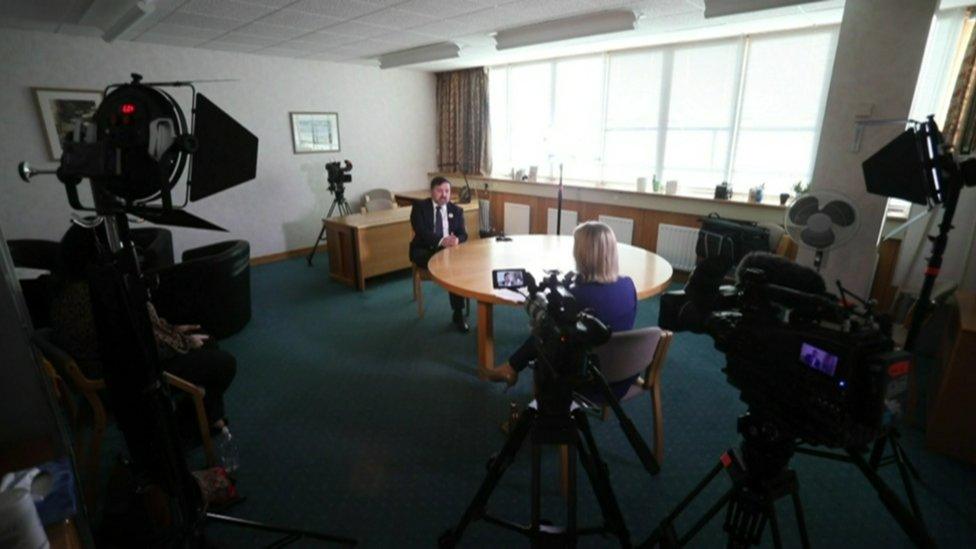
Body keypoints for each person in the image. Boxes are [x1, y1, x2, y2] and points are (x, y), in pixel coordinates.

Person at [48, 223, 237, 437]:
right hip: (121, 380)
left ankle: (208, 418)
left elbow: (132, 329)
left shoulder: (69, 286)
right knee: (224, 363)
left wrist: (171, 329)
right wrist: (183, 341)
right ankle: (184, 431)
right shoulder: (97, 294)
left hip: (113, 365)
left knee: (206, 339)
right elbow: (138, 344)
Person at [490, 222, 638, 393]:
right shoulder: (629, 284)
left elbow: (547, 333)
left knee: (545, 331)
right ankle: (512, 367)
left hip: (589, 378)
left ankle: (511, 367)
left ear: (583, 254)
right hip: (624, 372)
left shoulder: (576, 297)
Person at [409, 176, 470, 333]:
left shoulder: (456, 211)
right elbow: (421, 232)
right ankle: (458, 308)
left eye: (447, 191)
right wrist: (442, 240)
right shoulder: (419, 207)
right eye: (440, 191)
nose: (444, 195)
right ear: (432, 191)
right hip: (423, 250)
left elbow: (464, 234)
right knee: (452, 266)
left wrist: (457, 239)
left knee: (455, 268)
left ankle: (458, 313)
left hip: (447, 252)